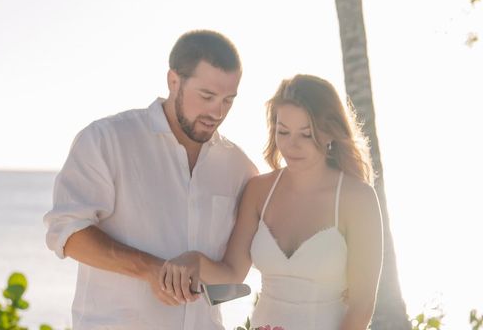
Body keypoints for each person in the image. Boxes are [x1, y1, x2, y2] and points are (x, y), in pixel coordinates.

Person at [43, 29, 258, 329]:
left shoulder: (239, 167)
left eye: (228, 100)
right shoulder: (107, 140)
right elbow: (67, 232)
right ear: (174, 81)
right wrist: (150, 270)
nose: (217, 112)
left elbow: (233, 274)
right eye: (207, 96)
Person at [160, 74, 383, 330]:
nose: (292, 145)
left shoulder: (358, 199)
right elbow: (233, 272)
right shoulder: (259, 190)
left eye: (306, 134)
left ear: (330, 133)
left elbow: (362, 306)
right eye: (283, 132)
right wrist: (194, 260)